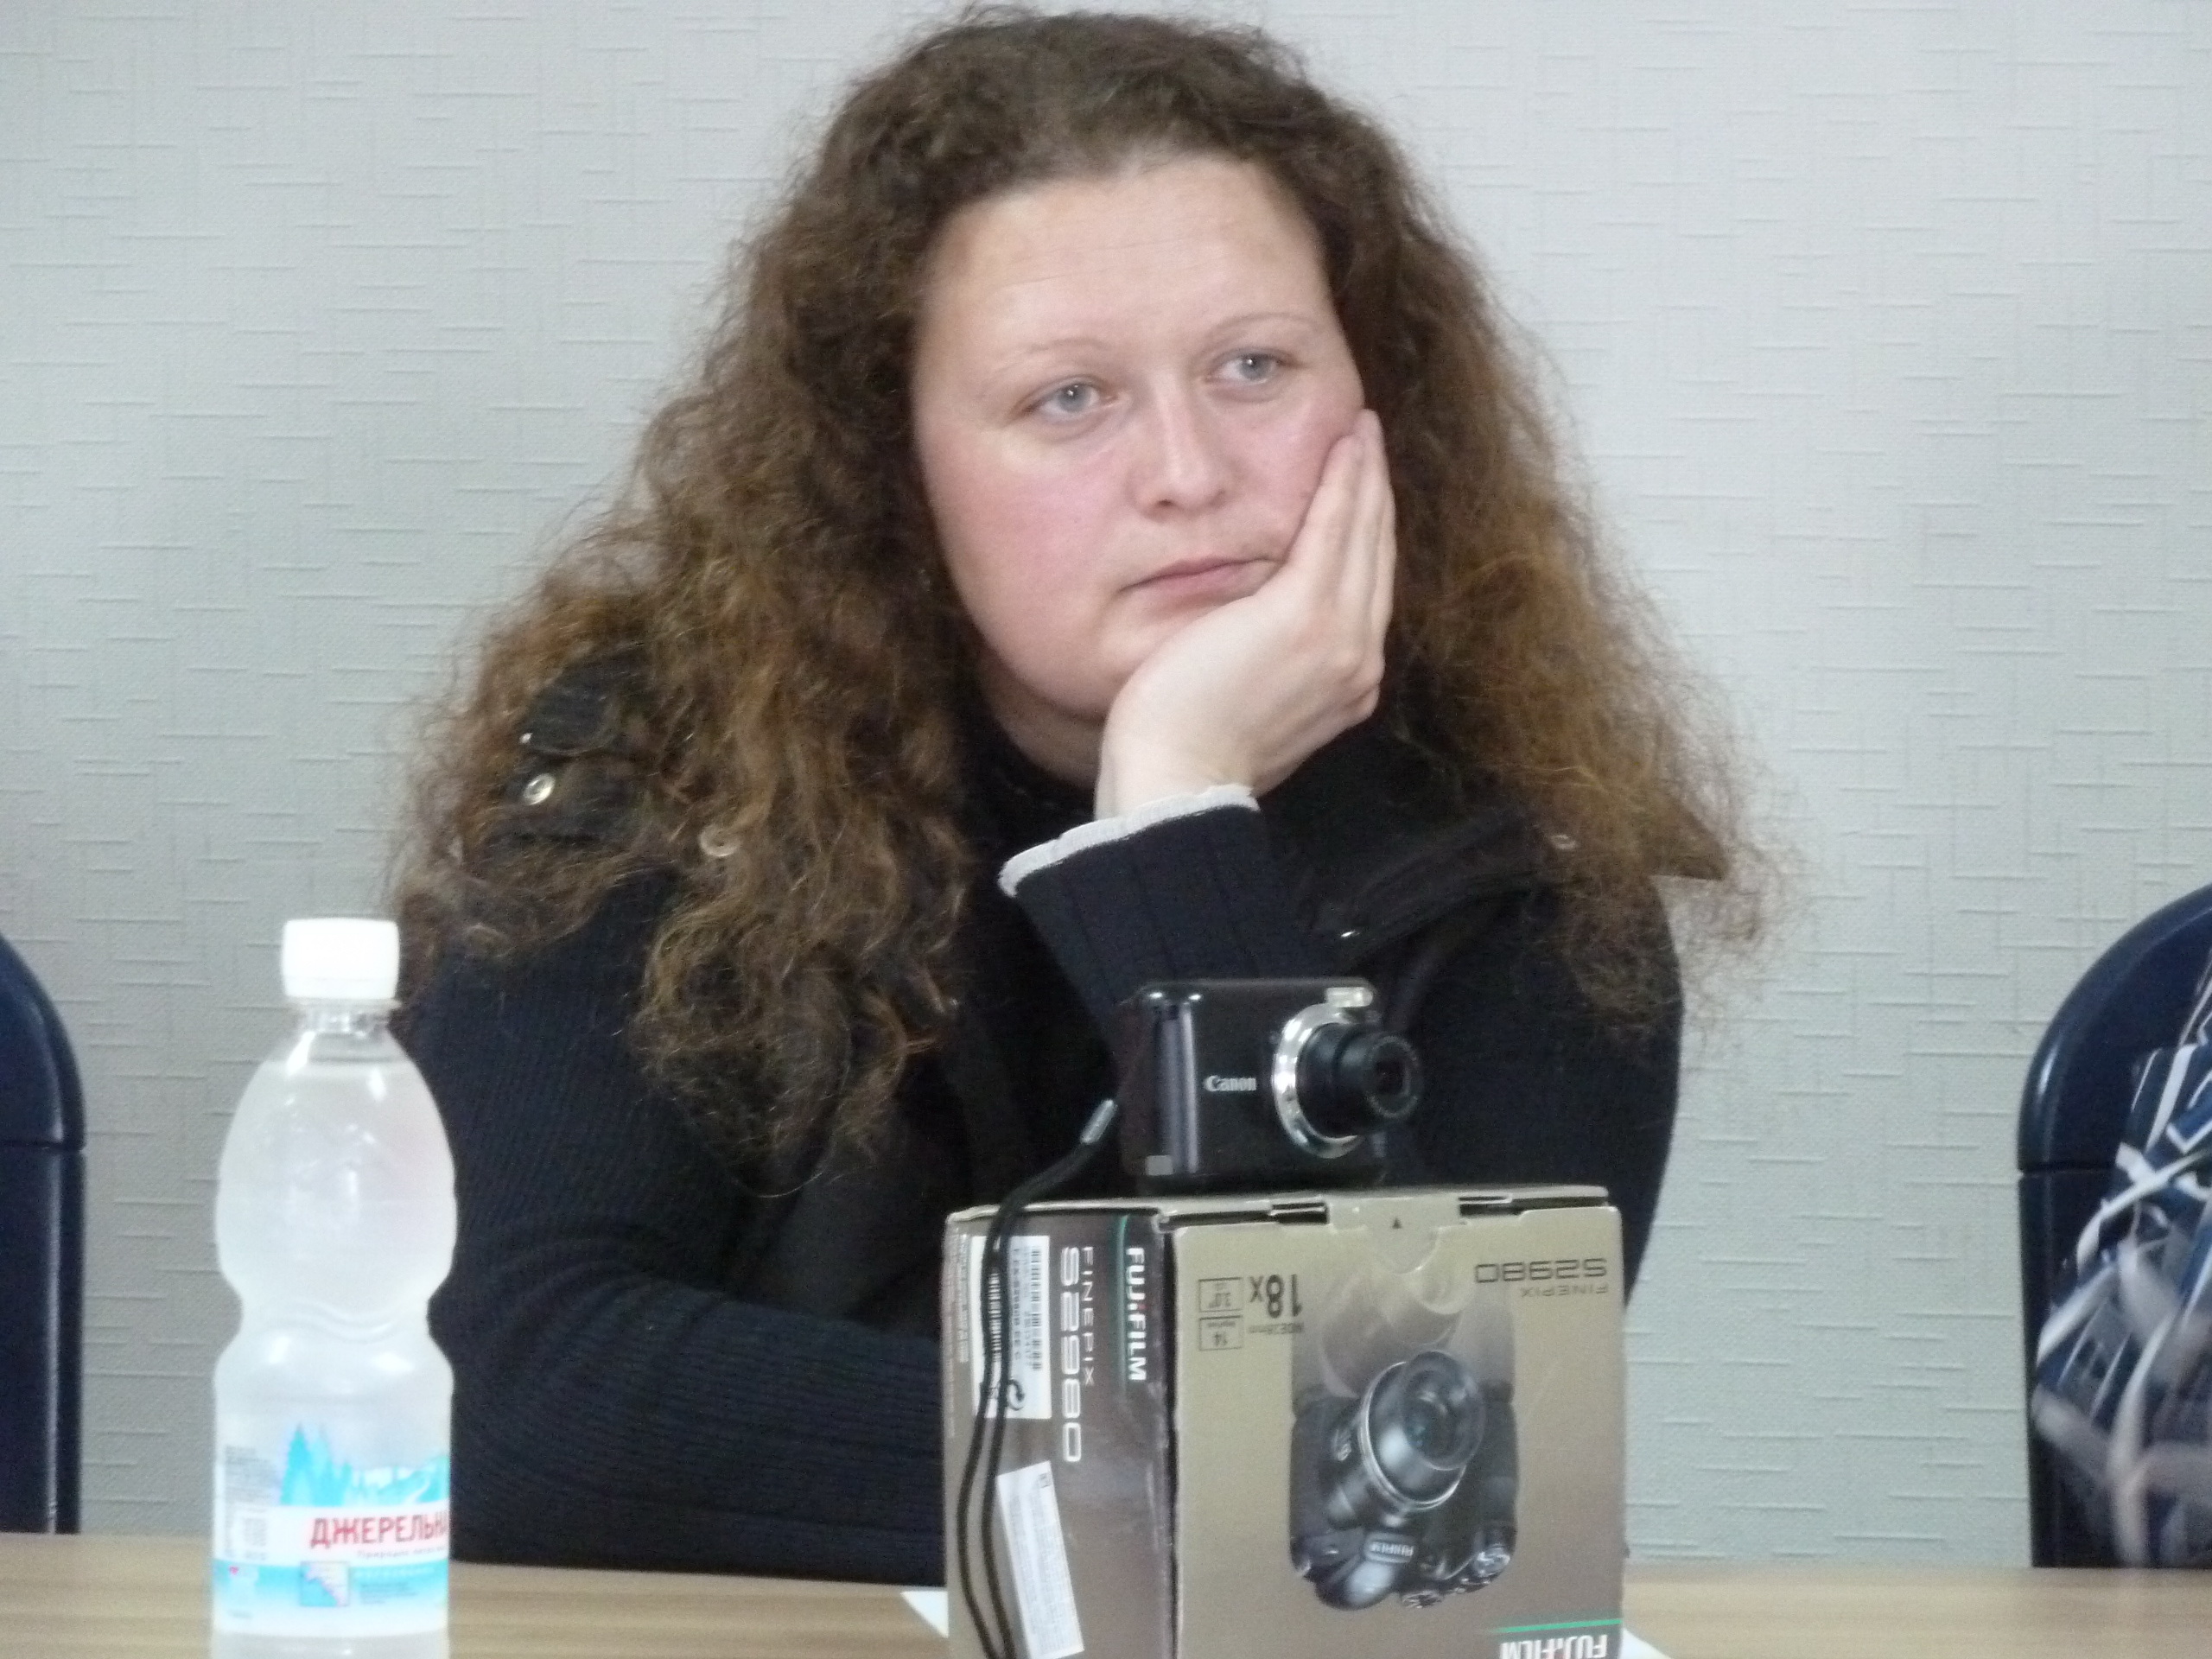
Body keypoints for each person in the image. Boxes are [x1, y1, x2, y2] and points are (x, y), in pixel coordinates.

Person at [393, 9, 1754, 1586]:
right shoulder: (669, 765)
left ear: (1379, 404)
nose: (1189, 471)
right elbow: (499, 1393)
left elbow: (1412, 1502)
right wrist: (1174, 1464)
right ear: (895, 466)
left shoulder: (1525, 854)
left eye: (1254, 368)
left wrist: (1175, 829)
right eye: (1069, 399)